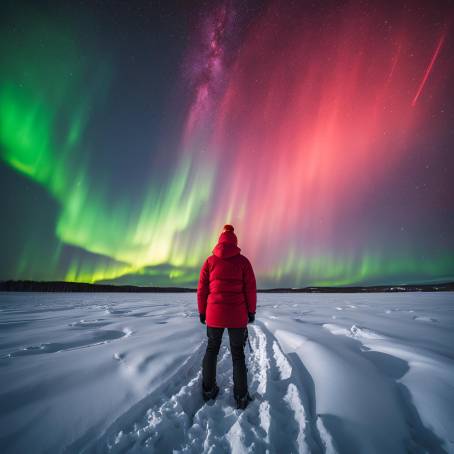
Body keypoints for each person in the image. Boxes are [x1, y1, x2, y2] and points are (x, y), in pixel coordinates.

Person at [197, 224, 257, 410]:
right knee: (238, 354)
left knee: (212, 349)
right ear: (234, 241)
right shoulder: (243, 262)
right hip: (237, 315)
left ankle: (208, 390)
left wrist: (202, 311)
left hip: (214, 315)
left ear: (220, 240)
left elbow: (202, 289)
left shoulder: (209, 262)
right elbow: (250, 289)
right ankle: (241, 396)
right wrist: (251, 311)